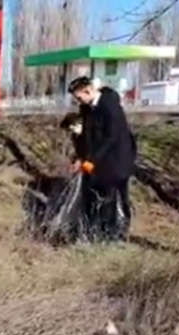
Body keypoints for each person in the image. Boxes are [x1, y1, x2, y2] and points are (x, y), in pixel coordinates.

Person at [67, 76, 137, 242]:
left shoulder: (110, 106)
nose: (79, 101)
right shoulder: (86, 109)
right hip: (98, 161)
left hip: (117, 161)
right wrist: (80, 157)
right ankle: (96, 232)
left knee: (116, 198)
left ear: (88, 90)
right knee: (96, 195)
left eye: (79, 97)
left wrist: (91, 160)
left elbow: (111, 138)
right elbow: (86, 137)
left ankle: (116, 235)